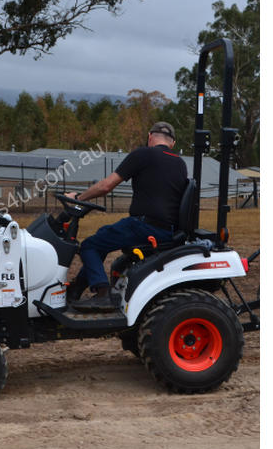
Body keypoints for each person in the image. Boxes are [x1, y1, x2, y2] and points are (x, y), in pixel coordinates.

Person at [66, 121, 187, 310]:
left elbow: (106, 186)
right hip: (166, 231)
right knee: (103, 235)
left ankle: (102, 293)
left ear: (149, 136)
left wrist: (78, 198)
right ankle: (75, 290)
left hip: (143, 227)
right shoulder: (180, 163)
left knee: (89, 245)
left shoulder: (143, 154)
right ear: (172, 143)